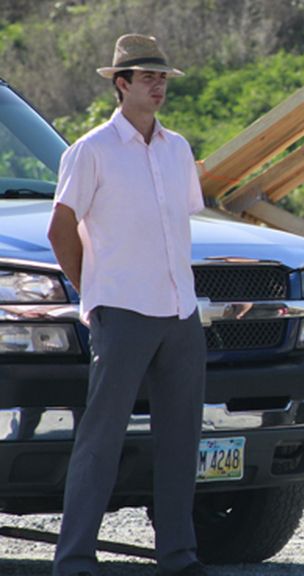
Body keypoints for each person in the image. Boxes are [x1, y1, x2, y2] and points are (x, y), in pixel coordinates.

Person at [47, 34, 207, 576]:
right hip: (121, 312)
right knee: (101, 439)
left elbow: (177, 224)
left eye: (162, 77)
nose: (158, 86)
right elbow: (60, 227)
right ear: (121, 85)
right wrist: (96, 287)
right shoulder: (90, 150)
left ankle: (179, 556)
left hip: (181, 313)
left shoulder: (178, 148)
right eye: (146, 77)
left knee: (182, 440)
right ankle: (74, 560)